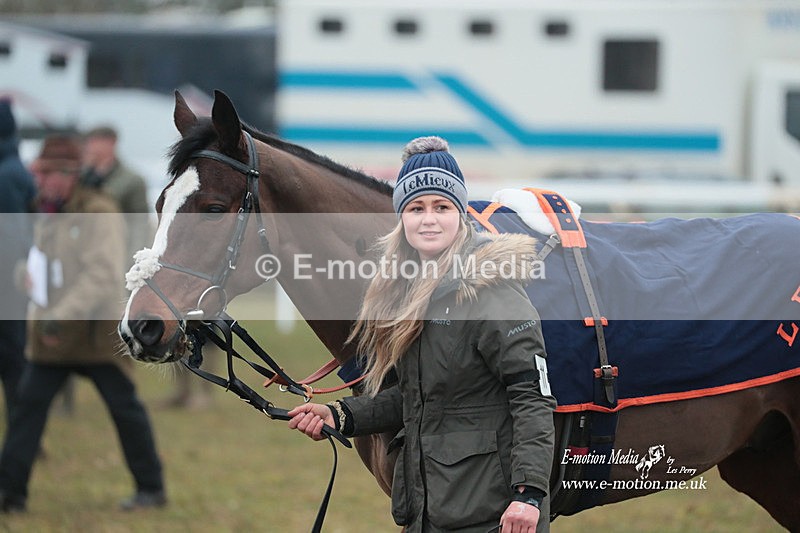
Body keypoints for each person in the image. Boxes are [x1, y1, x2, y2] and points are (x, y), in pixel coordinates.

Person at [288, 137, 556, 532]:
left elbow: (533, 398)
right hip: (432, 510)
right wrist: (339, 414)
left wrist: (528, 496)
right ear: (402, 218)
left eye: (441, 206)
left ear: (460, 214)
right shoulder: (414, 294)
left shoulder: (492, 293)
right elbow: (418, 397)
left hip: (494, 516)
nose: (428, 218)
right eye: (416, 208)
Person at [0, 135, 166, 513]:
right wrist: (23, 273)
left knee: (125, 410)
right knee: (27, 409)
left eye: (45, 174)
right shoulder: (49, 211)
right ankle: (10, 493)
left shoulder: (99, 211)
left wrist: (59, 314)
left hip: (94, 336)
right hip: (53, 338)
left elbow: (102, 275)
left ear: (67, 175)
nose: (39, 182)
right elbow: (39, 261)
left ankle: (151, 488)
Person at [0, 98, 36, 425]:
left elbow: (10, 236)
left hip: (7, 284)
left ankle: (21, 434)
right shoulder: (12, 167)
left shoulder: (7, 174)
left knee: (12, 361)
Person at [81, 125, 151, 269]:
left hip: (114, 253)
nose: (91, 147)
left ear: (111, 143)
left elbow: (139, 224)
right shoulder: (82, 178)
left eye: (96, 142)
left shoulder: (131, 180)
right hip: (83, 254)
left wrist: (131, 261)